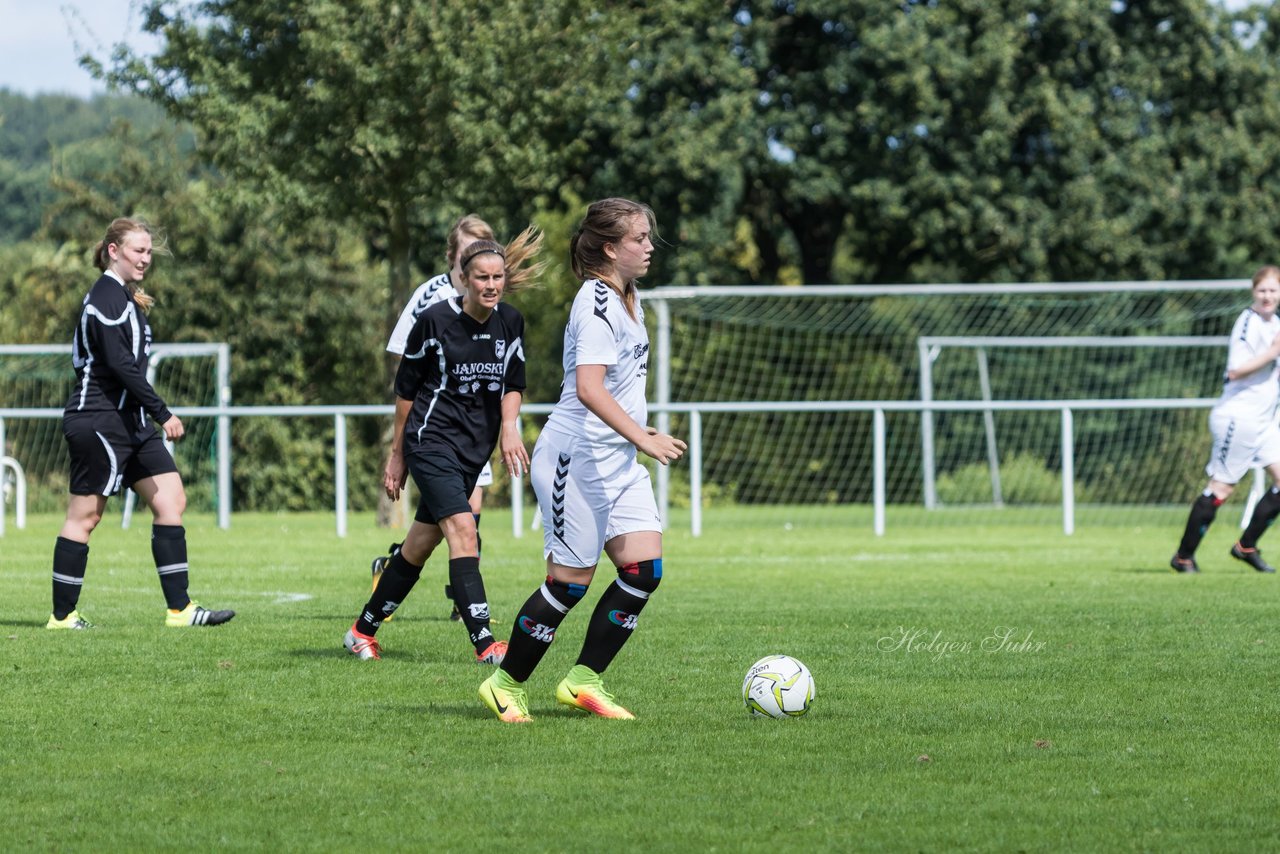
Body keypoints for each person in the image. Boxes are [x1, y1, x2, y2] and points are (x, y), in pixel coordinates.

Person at [479, 198, 686, 723]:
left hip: (614, 458)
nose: (648, 247)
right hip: (576, 458)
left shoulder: (628, 296)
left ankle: (583, 680)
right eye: (639, 238)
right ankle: (505, 684)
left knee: (644, 569)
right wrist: (642, 437)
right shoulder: (594, 302)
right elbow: (590, 390)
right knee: (569, 583)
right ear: (611, 248)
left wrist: (636, 433)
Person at [344, 227, 543, 662]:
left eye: (497, 278)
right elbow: (406, 394)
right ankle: (486, 642)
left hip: (474, 450)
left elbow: (514, 381)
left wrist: (510, 427)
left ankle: (362, 631)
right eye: (482, 278)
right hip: (429, 441)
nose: (491, 286)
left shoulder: (510, 322)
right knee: (464, 529)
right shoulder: (435, 321)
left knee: (418, 545)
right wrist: (397, 456)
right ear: (464, 279)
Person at [47, 217, 235, 629]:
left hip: (128, 421)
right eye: (138, 250)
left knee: (171, 499)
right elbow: (119, 365)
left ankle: (180, 611)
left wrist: (146, 414)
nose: (146, 258)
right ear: (113, 251)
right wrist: (162, 411)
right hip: (97, 419)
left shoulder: (125, 297)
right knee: (85, 516)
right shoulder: (106, 297)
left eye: (149, 252)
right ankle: (62, 617)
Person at [371, 215, 499, 623]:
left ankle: (391, 574)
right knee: (462, 520)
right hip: (436, 428)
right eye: (468, 254)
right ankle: (468, 611)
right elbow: (403, 361)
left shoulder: (491, 300)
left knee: (442, 527)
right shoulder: (430, 298)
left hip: (476, 430)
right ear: (453, 257)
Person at [1172, 264, 1280, 574]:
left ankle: (1245, 547)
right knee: (1221, 488)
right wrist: (1273, 353)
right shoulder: (1247, 323)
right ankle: (1183, 556)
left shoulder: (1275, 325)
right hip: (1238, 418)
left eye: (1273, 290)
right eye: (1262, 290)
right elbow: (1236, 369)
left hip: (1264, 422)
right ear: (1253, 292)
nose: (1267, 296)